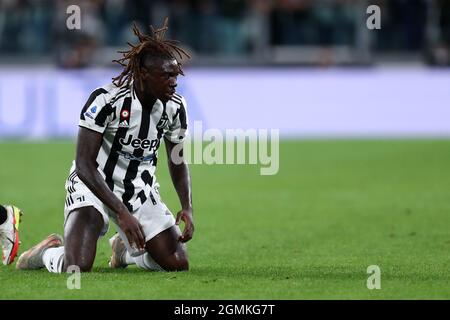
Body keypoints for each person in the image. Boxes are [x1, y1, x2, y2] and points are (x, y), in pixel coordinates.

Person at [16, 19, 195, 273]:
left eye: (175, 75)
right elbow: (84, 164)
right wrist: (121, 212)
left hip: (139, 189)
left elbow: (177, 160)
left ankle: (124, 253)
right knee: (77, 265)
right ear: (143, 75)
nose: (174, 82)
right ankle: (47, 252)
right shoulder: (106, 101)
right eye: (166, 75)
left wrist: (186, 206)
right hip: (93, 184)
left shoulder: (175, 106)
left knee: (177, 264)